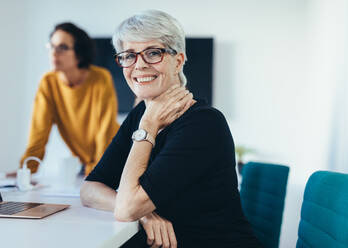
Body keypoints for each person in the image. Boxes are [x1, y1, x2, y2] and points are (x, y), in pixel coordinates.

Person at [80, 10, 261, 248]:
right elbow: (89, 189)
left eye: (153, 53)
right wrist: (144, 214)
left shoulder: (203, 124)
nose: (139, 65)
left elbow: (126, 208)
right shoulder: (140, 115)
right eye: (129, 55)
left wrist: (148, 126)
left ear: (178, 61)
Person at [19, 22, 119, 176]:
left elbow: (104, 131)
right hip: (87, 166)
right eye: (52, 46)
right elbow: (38, 131)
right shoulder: (48, 82)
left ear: (79, 53)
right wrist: (25, 172)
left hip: (114, 158)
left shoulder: (100, 78)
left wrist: (98, 172)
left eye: (63, 48)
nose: (54, 53)